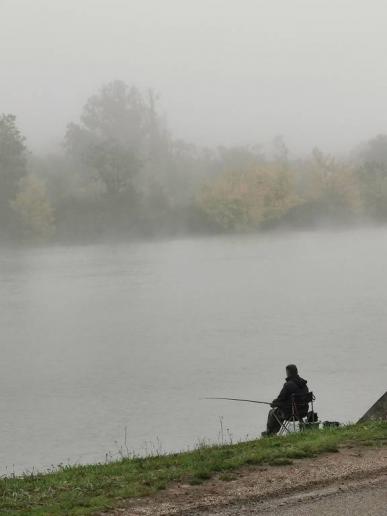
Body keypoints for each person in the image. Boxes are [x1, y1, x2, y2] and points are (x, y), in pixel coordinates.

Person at [262, 364, 309, 436]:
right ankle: (272, 432)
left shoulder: (288, 385)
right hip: (303, 412)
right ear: (296, 372)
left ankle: (270, 433)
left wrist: (274, 403)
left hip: (291, 413)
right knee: (279, 410)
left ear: (288, 373)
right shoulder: (304, 384)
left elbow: (280, 399)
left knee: (272, 412)